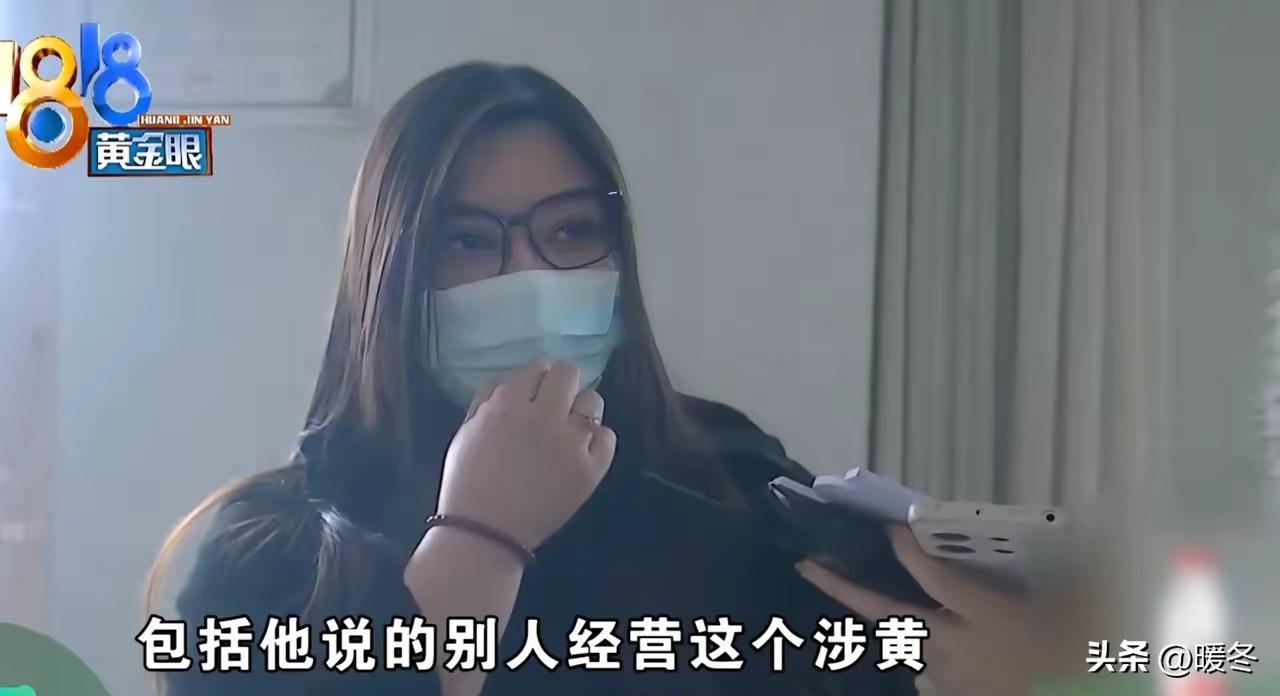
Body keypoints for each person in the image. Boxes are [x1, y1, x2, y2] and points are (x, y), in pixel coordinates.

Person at [147, 62, 1022, 696]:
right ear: (392, 272)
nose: (529, 277)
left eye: (570, 233)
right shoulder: (274, 554)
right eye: (466, 241)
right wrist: (480, 537)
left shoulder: (731, 483)